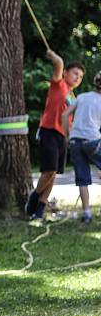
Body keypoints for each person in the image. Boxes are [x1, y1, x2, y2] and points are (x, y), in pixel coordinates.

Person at [25, 51, 85, 219]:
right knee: (48, 169)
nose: (77, 78)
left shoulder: (74, 97)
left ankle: (40, 210)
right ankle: (34, 198)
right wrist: (55, 57)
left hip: (62, 137)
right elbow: (59, 63)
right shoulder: (59, 84)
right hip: (49, 131)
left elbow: (72, 120)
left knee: (54, 174)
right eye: (75, 73)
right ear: (65, 73)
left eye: (80, 76)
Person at [62, 71, 101, 224]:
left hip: (75, 140)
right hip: (92, 140)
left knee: (82, 179)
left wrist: (67, 136)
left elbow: (65, 115)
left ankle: (87, 214)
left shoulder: (82, 97)